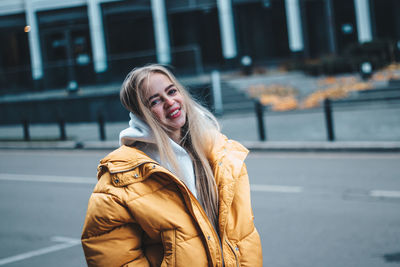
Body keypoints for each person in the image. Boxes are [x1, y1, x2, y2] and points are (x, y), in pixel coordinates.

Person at [81, 64, 262, 266]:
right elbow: (115, 259)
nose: (170, 102)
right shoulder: (117, 182)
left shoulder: (222, 154)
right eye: (155, 101)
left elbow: (244, 237)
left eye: (172, 91)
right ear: (141, 114)